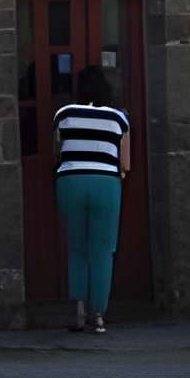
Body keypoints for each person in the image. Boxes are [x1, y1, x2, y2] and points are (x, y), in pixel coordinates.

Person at [52, 66, 130, 334]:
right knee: (103, 249)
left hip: (70, 180)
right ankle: (97, 316)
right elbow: (126, 163)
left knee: (77, 248)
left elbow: (58, 152)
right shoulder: (118, 118)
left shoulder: (65, 114)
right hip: (106, 183)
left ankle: (78, 311)